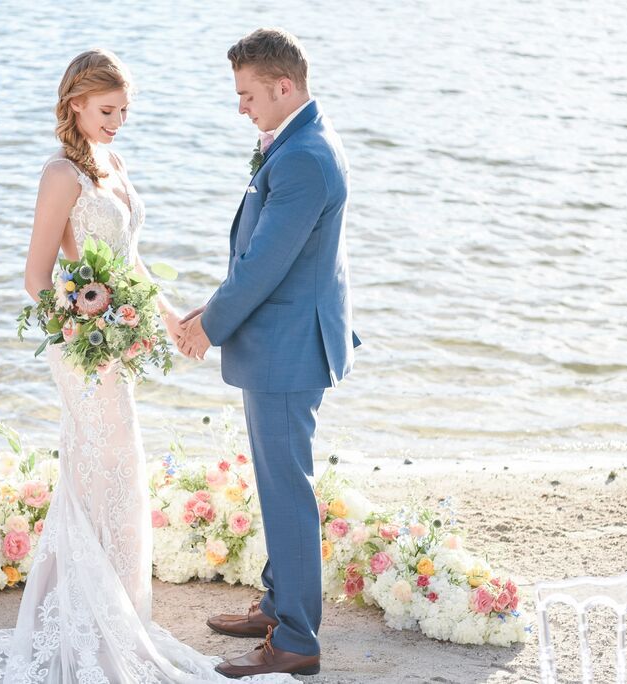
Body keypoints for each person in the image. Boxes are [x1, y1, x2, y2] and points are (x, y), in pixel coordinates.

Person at [0, 48, 297, 683]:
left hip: (116, 342)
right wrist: (88, 316)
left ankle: (116, 613)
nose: (118, 122)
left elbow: (131, 261)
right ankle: (87, 619)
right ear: (75, 104)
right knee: (101, 464)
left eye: (125, 111)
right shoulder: (61, 173)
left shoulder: (113, 162)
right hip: (82, 349)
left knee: (121, 470)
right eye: (108, 110)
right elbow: (37, 279)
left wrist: (173, 324)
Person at [178, 27, 361, 678]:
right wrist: (210, 309)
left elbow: (262, 268)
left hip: (288, 350)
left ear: (284, 87)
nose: (241, 107)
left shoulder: (305, 156)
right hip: (283, 338)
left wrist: (208, 326)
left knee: (287, 494)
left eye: (248, 94)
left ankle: (294, 643)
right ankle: (278, 604)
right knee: (281, 486)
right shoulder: (297, 141)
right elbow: (271, 258)